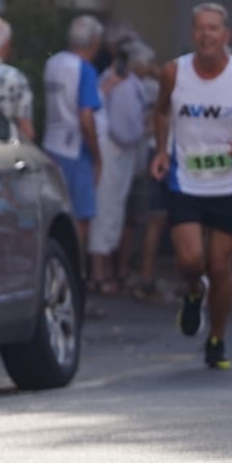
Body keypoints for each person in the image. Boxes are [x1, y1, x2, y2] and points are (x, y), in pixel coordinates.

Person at [151, 2, 232, 369]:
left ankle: (217, 339)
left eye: (214, 29)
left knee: (220, 266)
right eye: (200, 28)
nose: (206, 35)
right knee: (191, 260)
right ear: (193, 34)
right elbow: (160, 110)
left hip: (228, 184)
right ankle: (194, 293)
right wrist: (161, 150)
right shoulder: (173, 72)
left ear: (226, 36)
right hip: (184, 180)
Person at [91, 38, 155, 295]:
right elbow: (126, 129)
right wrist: (144, 129)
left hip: (119, 152)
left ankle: (104, 270)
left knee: (112, 210)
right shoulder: (123, 85)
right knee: (107, 209)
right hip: (114, 152)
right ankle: (100, 273)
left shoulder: (125, 82)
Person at [44, 15, 106, 254]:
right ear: (93, 41)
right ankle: (74, 269)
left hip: (52, 144)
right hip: (75, 149)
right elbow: (86, 117)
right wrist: (97, 156)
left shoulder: (55, 62)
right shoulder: (85, 70)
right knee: (80, 217)